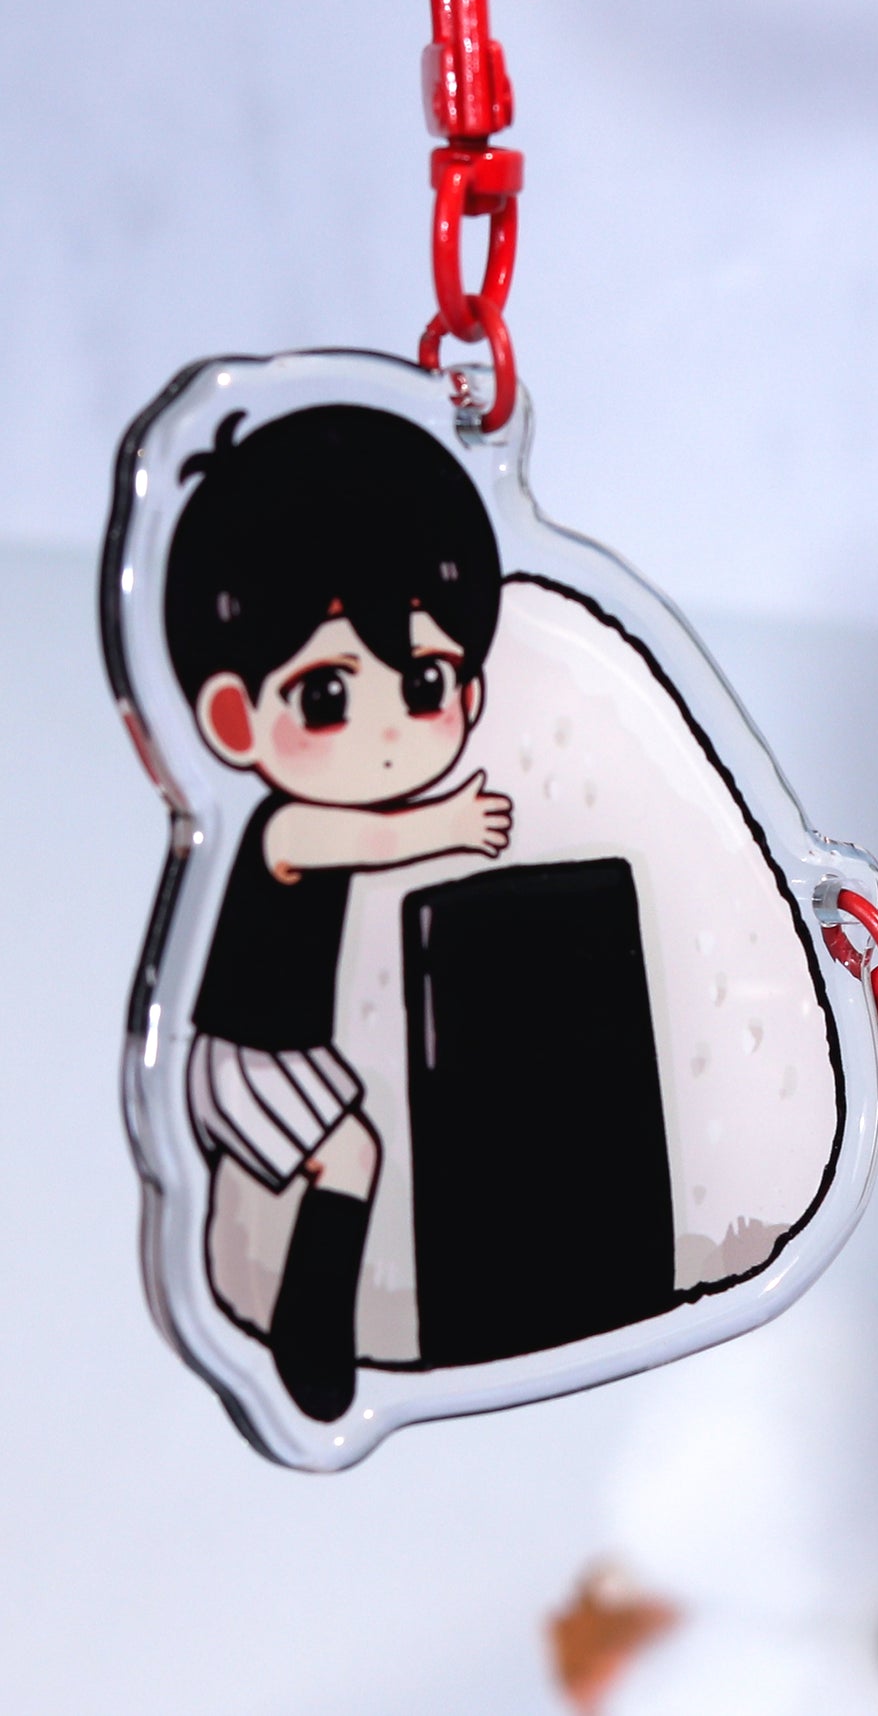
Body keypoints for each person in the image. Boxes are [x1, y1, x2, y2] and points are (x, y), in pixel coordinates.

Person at [164, 403, 511, 1422]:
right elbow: (366, 839)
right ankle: (311, 1340)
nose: (390, 735)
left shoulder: (299, 817)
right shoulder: (284, 826)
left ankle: (297, 1322)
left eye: (425, 681)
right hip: (243, 1053)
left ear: (470, 692)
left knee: (341, 1152)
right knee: (349, 1155)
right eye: (325, 696)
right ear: (234, 719)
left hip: (283, 1049)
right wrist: (448, 823)